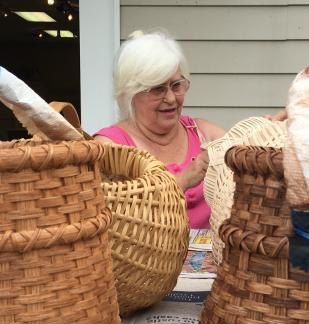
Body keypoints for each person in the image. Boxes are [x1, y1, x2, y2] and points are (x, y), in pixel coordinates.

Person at [94, 30, 225, 229]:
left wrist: (267, 130)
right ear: (131, 94)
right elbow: (115, 216)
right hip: (142, 260)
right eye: (157, 89)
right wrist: (181, 180)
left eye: (176, 85)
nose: (171, 98)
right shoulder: (109, 147)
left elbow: (248, 156)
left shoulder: (204, 133)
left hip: (208, 260)